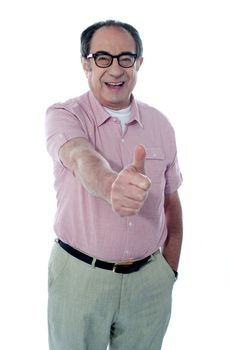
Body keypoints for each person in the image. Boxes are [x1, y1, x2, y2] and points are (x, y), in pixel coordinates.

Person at [45, 19, 183, 350]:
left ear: (139, 63)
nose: (115, 69)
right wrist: (110, 186)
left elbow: (171, 200)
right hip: (80, 278)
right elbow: (80, 156)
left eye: (125, 58)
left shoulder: (160, 124)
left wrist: (168, 271)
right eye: (102, 57)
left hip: (149, 283)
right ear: (85, 63)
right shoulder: (65, 115)